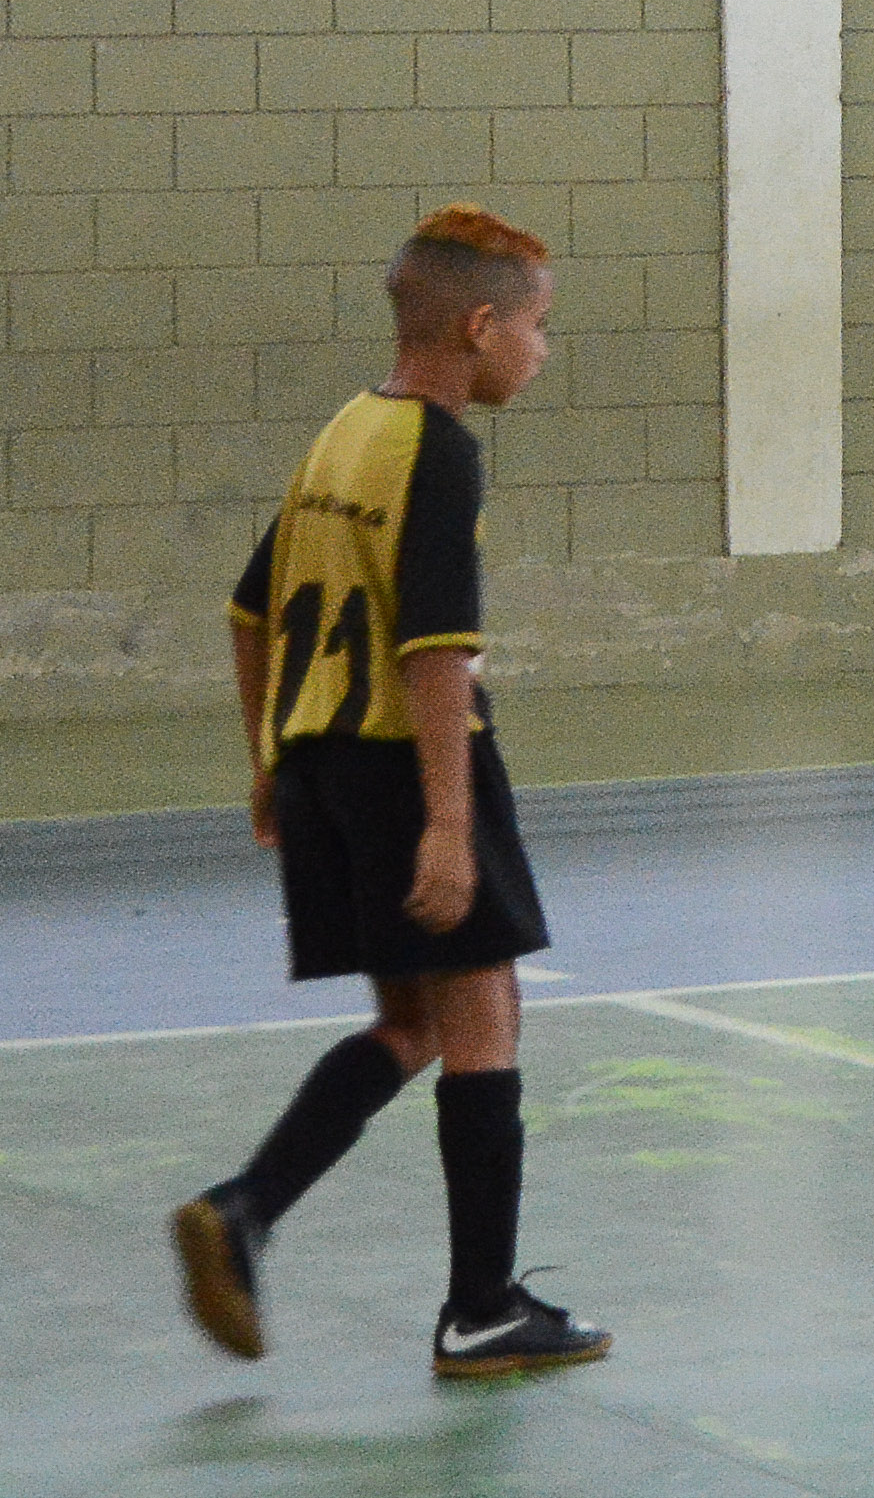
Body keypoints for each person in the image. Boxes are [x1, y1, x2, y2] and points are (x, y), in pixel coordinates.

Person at [168, 202, 610, 1383]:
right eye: (538, 326)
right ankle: (480, 1312)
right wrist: (452, 822)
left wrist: (271, 762)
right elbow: (434, 650)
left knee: (411, 1022)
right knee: (484, 1014)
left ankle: (246, 1209)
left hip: (318, 760)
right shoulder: (439, 450)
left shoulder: (343, 434)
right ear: (478, 326)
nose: (543, 351)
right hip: (401, 763)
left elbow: (249, 610)